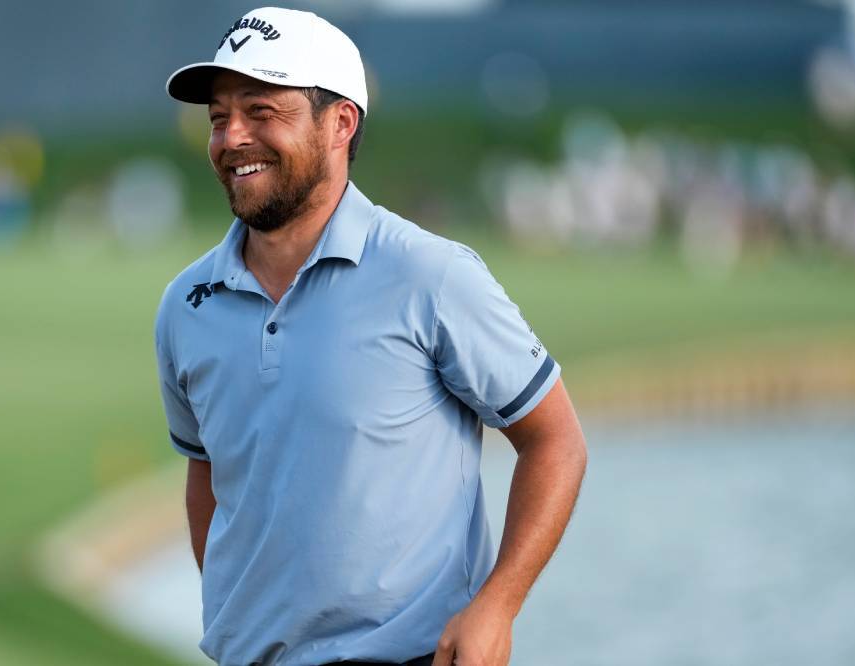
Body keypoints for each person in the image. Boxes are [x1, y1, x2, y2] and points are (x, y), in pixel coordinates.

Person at [154, 7, 587, 666]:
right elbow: (207, 471)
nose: (232, 137)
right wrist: (231, 610)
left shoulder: (431, 274)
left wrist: (498, 604)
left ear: (341, 123)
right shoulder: (187, 304)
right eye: (219, 118)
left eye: (261, 112)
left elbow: (555, 439)